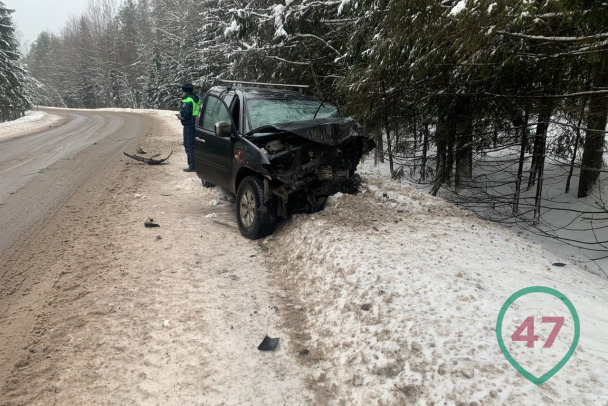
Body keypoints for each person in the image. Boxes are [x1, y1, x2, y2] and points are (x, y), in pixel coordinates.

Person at [177, 83, 202, 172]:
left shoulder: (187, 100)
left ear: (185, 91)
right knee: (195, 144)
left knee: (188, 145)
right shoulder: (197, 98)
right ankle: (197, 164)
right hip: (196, 123)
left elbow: (185, 114)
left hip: (188, 124)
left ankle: (192, 165)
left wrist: (180, 115)